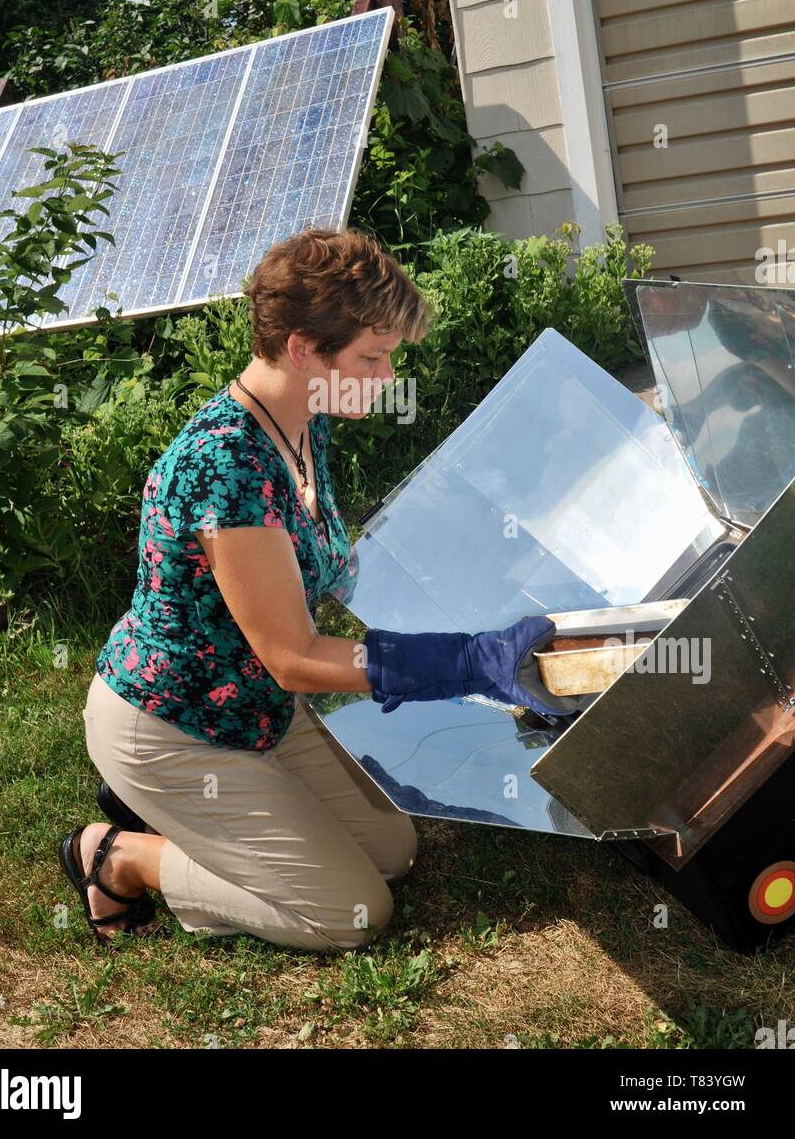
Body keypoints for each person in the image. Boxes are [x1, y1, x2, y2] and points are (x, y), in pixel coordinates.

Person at [59, 227, 571, 953]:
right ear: (303, 349)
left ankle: (201, 822)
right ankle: (122, 854)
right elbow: (292, 658)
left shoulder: (300, 425)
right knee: (352, 913)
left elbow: (329, 569)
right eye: (371, 355)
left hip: (261, 714)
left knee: (393, 850)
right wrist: (464, 662)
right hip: (174, 728)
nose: (388, 373)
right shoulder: (224, 466)